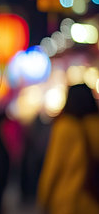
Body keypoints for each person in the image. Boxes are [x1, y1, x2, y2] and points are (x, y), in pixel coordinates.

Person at [37, 83, 99, 214]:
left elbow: (53, 167)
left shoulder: (64, 128)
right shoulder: (96, 126)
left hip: (67, 202)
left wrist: (43, 198)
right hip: (93, 202)